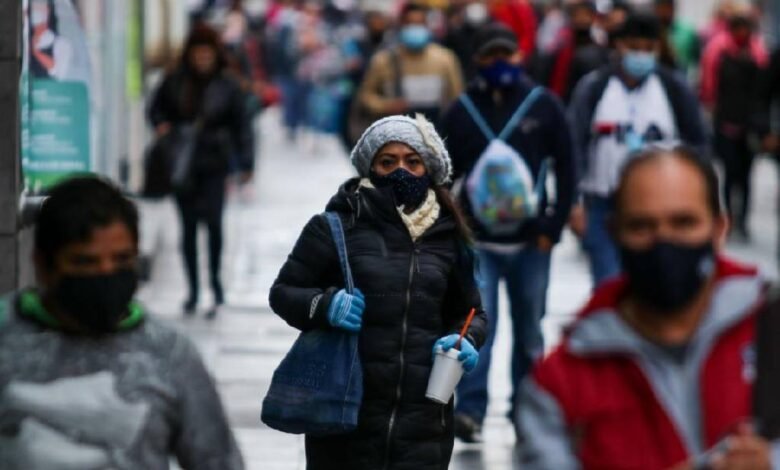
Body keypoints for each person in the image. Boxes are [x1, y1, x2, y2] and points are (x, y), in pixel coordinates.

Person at [516, 147, 777, 469]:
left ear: (719, 228)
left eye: (683, 223)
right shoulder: (561, 385)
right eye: (642, 226)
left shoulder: (770, 329)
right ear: (615, 233)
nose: (663, 242)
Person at [269, 115, 488, 469]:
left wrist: (466, 340)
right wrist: (325, 305)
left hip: (425, 425)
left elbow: (472, 312)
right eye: (388, 162)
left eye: (412, 161)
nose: (401, 170)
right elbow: (283, 292)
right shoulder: (336, 225)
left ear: (428, 169)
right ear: (370, 168)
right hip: (346, 419)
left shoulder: (449, 236)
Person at [0, 176, 243, 469]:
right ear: (43, 264)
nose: (105, 274)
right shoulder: (6, 336)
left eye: (121, 260)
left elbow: (217, 460)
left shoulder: (169, 353)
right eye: (85, 262)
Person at [438, 22, 575, 442]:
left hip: (532, 242)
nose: (500, 64)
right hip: (479, 243)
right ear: (476, 61)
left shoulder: (543, 106)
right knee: (480, 327)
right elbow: (443, 175)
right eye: (490, 56)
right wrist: (452, 232)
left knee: (531, 329)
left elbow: (568, 167)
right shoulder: (461, 111)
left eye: (507, 55)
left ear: (520, 57)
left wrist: (553, 225)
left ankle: (526, 410)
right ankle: (472, 411)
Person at [568, 13, 706, 287]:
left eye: (648, 49)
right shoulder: (595, 88)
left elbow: (698, 144)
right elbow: (575, 145)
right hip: (605, 204)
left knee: (655, 283)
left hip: (662, 205)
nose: (641, 56)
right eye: (634, 48)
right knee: (608, 284)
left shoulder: (673, 89)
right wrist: (574, 203)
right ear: (619, 46)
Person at [148, 23, 254, 318]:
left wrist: (246, 163)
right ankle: (193, 290)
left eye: (207, 54)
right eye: (198, 54)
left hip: (214, 163)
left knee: (215, 225)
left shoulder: (228, 84)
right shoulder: (174, 81)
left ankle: (216, 286)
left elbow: (242, 125)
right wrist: (162, 127)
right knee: (188, 228)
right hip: (183, 164)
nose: (202, 60)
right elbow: (155, 109)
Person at [700, 7, 768, 241]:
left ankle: (743, 221)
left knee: (747, 175)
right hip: (725, 121)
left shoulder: (758, 52)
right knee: (729, 173)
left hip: (750, 124)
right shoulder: (718, 50)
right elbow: (708, 85)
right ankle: (728, 217)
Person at [354, 3, 464, 129]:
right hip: (397, 133)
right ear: (401, 26)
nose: (415, 28)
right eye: (410, 24)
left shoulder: (445, 59)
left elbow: (457, 98)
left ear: (427, 26)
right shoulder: (384, 61)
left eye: (419, 24)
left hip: (436, 131)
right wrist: (386, 106)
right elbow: (365, 97)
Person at [654, 0, 700, 79]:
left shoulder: (687, 32)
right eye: (661, 7)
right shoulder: (651, 32)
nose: (664, 11)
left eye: (668, 7)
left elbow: (696, 59)